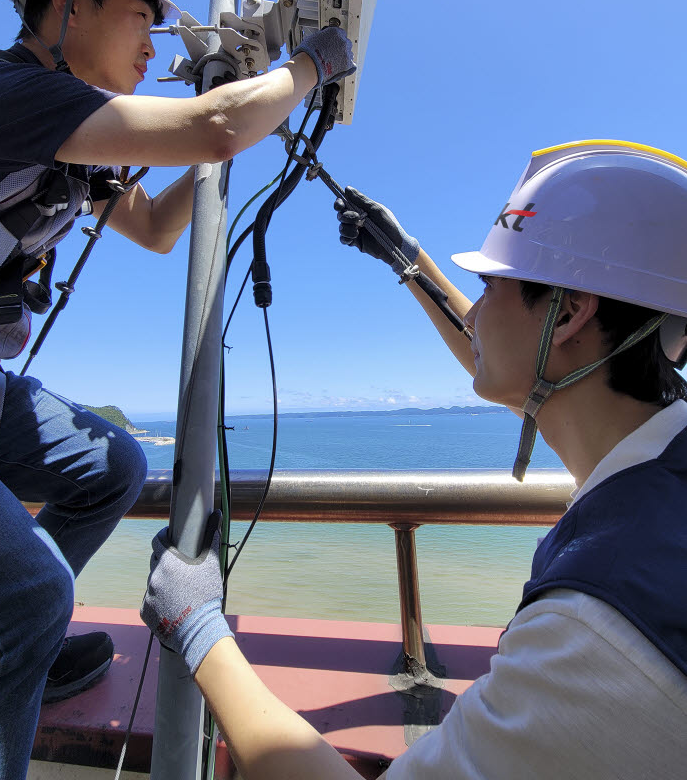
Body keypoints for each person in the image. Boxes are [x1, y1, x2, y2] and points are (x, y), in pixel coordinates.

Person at [0, 0, 354, 780]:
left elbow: (161, 224)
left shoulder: (66, 135)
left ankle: (12, 643)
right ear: (68, 3)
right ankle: (9, 636)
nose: (155, 42)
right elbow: (208, 126)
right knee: (27, 602)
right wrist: (311, 65)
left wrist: (237, 119)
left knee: (114, 467)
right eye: (141, 14)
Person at [141, 139, 687, 779]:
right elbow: (520, 361)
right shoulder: (657, 466)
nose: (476, 311)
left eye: (492, 285)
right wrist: (407, 260)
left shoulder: (595, 633)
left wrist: (199, 626)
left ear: (568, 312)